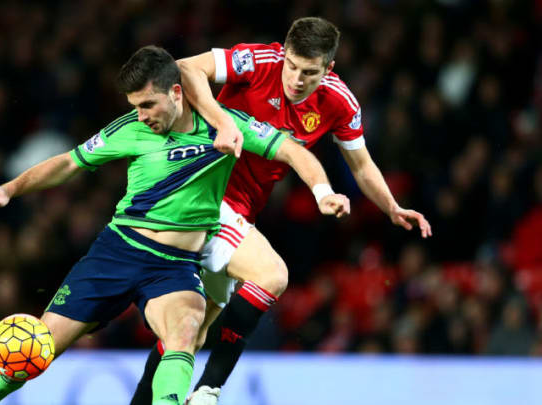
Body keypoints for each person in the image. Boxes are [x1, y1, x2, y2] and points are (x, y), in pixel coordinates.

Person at [0, 45, 350, 405]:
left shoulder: (229, 127)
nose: (142, 115)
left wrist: (321, 192)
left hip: (173, 267)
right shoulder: (130, 128)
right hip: (117, 252)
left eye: (148, 104)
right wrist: (9, 189)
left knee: (185, 332)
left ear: (178, 93)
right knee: (32, 352)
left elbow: (292, 151)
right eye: (135, 106)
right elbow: (69, 162)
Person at [129, 17, 433, 405]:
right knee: (272, 275)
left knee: (189, 330)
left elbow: (361, 164)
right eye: (291, 65)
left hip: (239, 212)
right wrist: (220, 120)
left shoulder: (339, 103)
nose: (296, 79)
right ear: (283, 53)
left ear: (329, 69)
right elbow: (185, 68)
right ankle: (208, 390)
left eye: (309, 72)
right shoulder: (258, 61)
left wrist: (391, 207)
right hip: (201, 193)